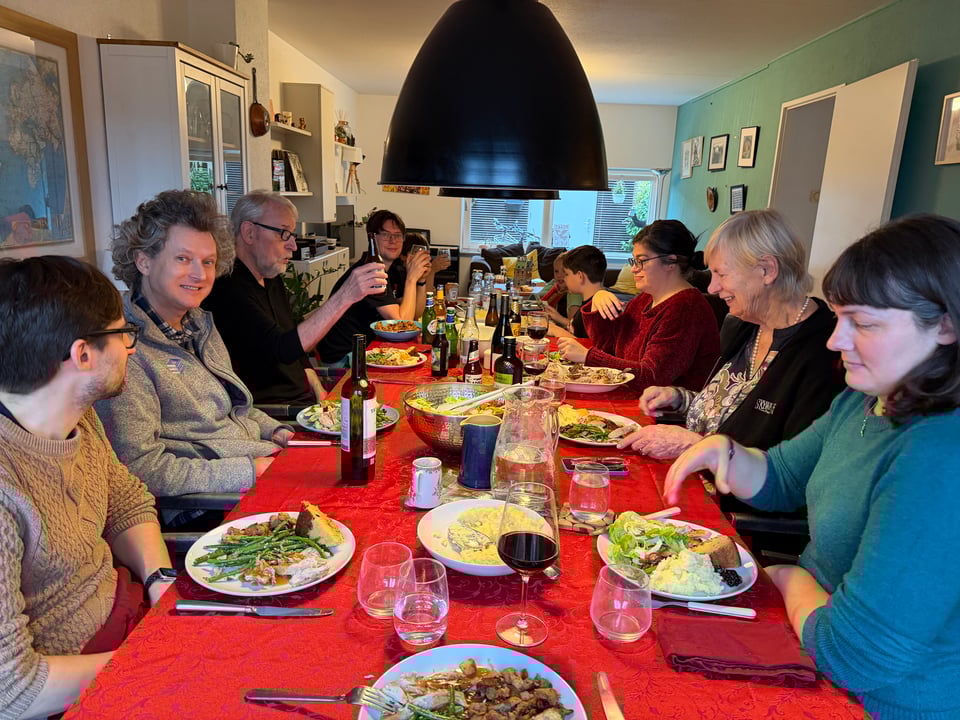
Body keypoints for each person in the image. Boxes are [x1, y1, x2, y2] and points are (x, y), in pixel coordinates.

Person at [663, 214, 960, 719]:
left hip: (875, 700)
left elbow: (855, 656)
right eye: (839, 318)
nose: (834, 340)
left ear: (946, 325)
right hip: (809, 640)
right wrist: (724, 450)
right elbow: (781, 477)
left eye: (863, 323)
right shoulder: (864, 402)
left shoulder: (939, 454)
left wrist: (785, 576)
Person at [0, 256, 173, 718]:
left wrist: (160, 581)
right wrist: (153, 661)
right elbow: (13, 691)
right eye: (124, 334)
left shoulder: (79, 413)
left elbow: (127, 504)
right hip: (83, 683)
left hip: (132, 618)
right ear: (83, 355)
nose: (130, 349)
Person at [95, 190, 291, 525]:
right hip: (207, 508)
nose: (200, 275)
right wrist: (248, 471)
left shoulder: (198, 323)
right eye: (183, 259)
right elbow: (140, 469)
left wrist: (278, 432)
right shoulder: (125, 350)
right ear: (143, 261)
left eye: (208, 262)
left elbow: (234, 411)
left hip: (254, 466)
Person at [618, 209, 843, 459]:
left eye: (721, 274)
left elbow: (793, 467)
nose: (712, 288)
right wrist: (680, 399)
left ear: (767, 270)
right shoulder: (746, 325)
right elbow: (731, 410)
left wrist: (695, 445)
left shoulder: (825, 352)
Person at [202, 190, 389, 406]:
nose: (293, 245)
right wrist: (345, 296)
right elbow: (282, 349)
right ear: (249, 232)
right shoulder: (227, 288)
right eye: (284, 233)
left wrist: (315, 382)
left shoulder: (270, 278)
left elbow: (292, 337)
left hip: (304, 399)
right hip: (275, 412)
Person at [557, 223, 720, 395]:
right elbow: (608, 348)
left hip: (662, 409)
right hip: (633, 396)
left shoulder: (686, 308)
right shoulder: (644, 299)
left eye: (641, 261)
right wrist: (597, 301)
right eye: (634, 261)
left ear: (670, 262)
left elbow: (652, 377)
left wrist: (588, 357)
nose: (634, 269)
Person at [317, 209, 431, 365]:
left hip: (367, 348)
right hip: (345, 357)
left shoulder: (392, 269)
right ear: (372, 238)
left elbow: (415, 314)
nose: (393, 240)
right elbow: (401, 325)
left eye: (398, 235)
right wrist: (411, 279)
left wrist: (420, 281)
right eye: (385, 234)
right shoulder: (371, 271)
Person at [387, 230, 451, 317]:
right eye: (418, 253)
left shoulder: (417, 273)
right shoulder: (394, 272)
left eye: (424, 253)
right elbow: (408, 311)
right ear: (403, 256)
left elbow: (426, 303)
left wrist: (431, 272)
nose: (422, 258)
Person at [539, 251, 583, 329]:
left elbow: (574, 326)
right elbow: (539, 297)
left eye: (564, 271)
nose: (559, 275)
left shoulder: (574, 294)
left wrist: (557, 317)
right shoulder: (558, 286)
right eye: (556, 271)